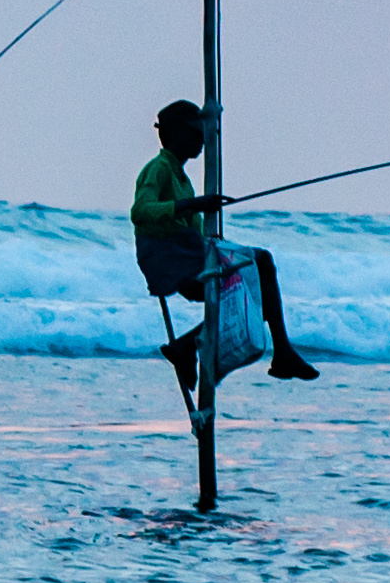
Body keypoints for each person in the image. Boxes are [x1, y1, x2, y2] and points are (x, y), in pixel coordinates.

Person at [131, 99, 319, 390]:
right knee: (262, 262)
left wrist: (209, 228)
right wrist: (195, 204)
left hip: (186, 254)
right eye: (196, 132)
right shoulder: (158, 169)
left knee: (252, 285)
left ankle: (187, 346)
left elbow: (195, 232)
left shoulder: (183, 179)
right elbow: (141, 211)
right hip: (170, 259)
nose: (203, 139)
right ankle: (281, 352)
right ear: (177, 134)